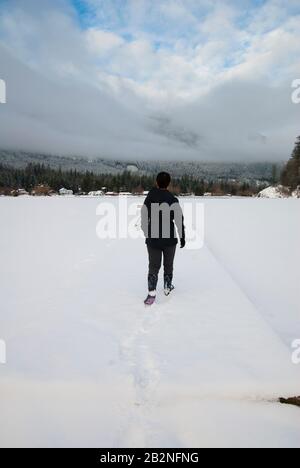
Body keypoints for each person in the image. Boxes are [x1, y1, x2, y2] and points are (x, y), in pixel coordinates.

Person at [141, 172, 185, 306]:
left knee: (153, 265)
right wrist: (182, 236)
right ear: (169, 183)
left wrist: (147, 232)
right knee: (168, 265)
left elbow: (144, 215)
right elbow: (179, 219)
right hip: (169, 239)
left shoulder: (150, 197)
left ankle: (152, 291)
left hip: (153, 238)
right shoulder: (172, 199)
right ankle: (167, 287)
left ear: (156, 182)